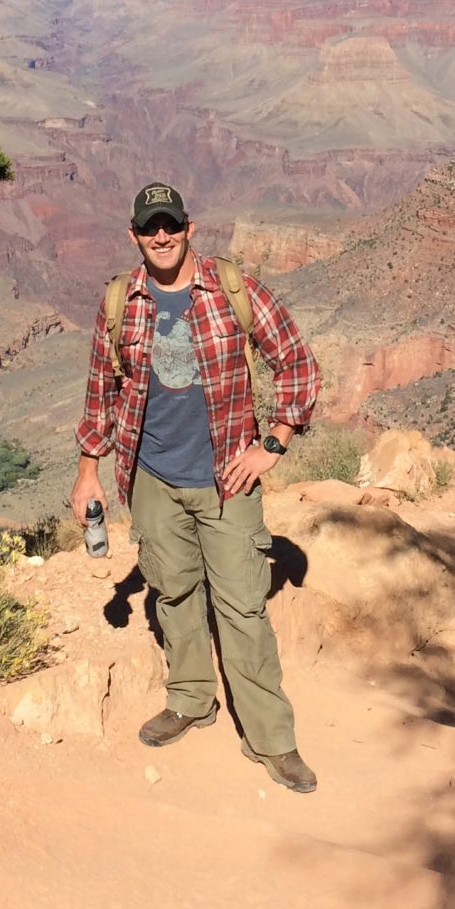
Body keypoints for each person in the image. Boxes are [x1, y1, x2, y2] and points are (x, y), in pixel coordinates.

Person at [72, 181, 322, 794]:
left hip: (226, 478)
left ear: (189, 228)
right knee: (173, 594)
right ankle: (190, 701)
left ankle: (272, 739)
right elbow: (101, 389)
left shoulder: (232, 289)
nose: (161, 236)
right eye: (149, 227)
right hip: (151, 478)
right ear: (134, 235)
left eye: (171, 225)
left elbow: (296, 361)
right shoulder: (119, 302)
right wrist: (88, 471)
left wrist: (273, 446)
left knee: (241, 606)